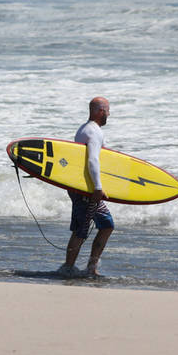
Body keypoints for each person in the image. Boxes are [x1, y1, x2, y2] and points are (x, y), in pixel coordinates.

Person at [57, 96, 114, 278]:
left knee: (104, 225)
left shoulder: (85, 129)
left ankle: (88, 268)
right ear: (100, 111)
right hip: (87, 190)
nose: (109, 114)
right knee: (83, 229)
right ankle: (70, 268)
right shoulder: (93, 131)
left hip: (82, 187)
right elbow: (92, 160)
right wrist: (98, 188)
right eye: (107, 111)